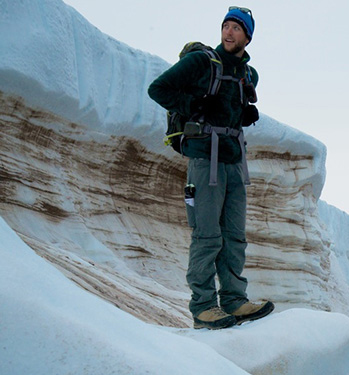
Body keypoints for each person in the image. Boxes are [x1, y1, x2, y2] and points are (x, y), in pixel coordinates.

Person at [148, 6, 273, 330]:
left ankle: (234, 300)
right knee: (207, 235)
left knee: (234, 236)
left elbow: (234, 109)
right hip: (206, 158)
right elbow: (158, 89)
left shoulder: (249, 75)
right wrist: (194, 106)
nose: (229, 32)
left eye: (236, 28)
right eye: (226, 26)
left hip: (233, 160)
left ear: (248, 36)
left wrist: (243, 115)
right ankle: (203, 306)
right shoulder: (201, 62)